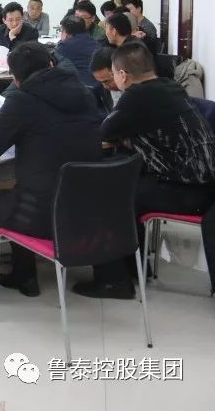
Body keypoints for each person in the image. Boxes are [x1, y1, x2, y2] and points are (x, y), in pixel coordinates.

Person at [0, 42, 102, 308]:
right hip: (85, 208)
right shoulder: (84, 92)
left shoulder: (22, 99)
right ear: (51, 64)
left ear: (15, 78)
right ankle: (23, 276)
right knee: (18, 192)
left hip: (42, 213)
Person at [75, 42, 215, 299]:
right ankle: (135, 268)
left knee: (105, 196)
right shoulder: (170, 86)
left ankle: (114, 281)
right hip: (204, 183)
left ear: (122, 74)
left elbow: (105, 131)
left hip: (186, 189)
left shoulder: (137, 96)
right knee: (126, 185)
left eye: (112, 76)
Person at [55, 15, 99, 88]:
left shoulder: (64, 46)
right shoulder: (95, 42)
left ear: (66, 33)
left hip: (78, 87)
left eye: (62, 31)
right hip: (97, 85)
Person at [89, 47, 122, 114]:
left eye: (107, 81)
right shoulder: (98, 92)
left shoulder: (138, 89)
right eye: (100, 82)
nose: (105, 86)